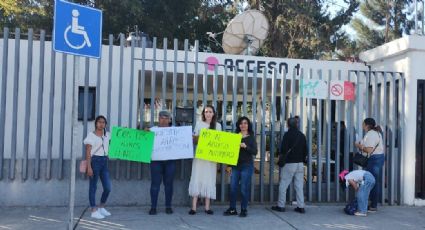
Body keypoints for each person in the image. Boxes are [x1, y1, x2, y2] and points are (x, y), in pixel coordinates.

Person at [188, 105, 222, 215]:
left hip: (211, 159)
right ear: (203, 113)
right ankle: (193, 207)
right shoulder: (199, 124)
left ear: (213, 113)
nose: (208, 113)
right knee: (197, 177)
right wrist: (200, 138)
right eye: (206, 111)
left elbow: (220, 143)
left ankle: (207, 207)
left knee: (209, 179)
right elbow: (194, 138)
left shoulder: (218, 126)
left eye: (210, 111)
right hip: (200, 157)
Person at [223, 117, 258, 217]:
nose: (243, 125)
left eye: (245, 123)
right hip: (235, 166)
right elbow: (230, 152)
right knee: (233, 188)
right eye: (241, 123)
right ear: (239, 125)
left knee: (244, 188)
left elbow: (255, 151)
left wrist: (245, 146)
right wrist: (229, 165)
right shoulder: (235, 136)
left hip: (247, 166)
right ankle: (232, 209)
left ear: (248, 125)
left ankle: (244, 209)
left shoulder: (251, 137)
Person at [272, 117, 307, 214]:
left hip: (289, 164)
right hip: (300, 164)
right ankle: (301, 207)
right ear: (297, 124)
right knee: (299, 186)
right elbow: (305, 150)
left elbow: (283, 149)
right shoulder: (302, 135)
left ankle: (281, 205)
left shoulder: (287, 135)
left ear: (288, 125)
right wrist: (303, 160)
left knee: (283, 185)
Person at [148, 110, 176, 215]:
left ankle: (168, 207)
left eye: (166, 118)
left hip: (170, 162)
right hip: (156, 162)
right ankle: (153, 207)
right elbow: (142, 138)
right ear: (158, 119)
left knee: (169, 185)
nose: (164, 120)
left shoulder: (175, 131)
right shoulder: (152, 130)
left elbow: (186, 137)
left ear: (170, 120)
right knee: (155, 185)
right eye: (161, 118)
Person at [84, 115, 112, 219]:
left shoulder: (107, 135)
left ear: (105, 124)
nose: (101, 124)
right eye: (99, 122)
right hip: (94, 161)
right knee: (93, 186)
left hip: (104, 161)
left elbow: (117, 142)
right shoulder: (91, 135)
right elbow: (87, 152)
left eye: (103, 122)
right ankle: (93, 210)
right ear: (96, 123)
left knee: (108, 187)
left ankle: (101, 207)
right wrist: (89, 167)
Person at [354, 117, 384, 212]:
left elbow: (369, 150)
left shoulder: (371, 134)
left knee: (372, 182)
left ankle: (373, 205)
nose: (362, 125)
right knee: (373, 181)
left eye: (363, 123)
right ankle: (372, 203)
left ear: (367, 125)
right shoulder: (375, 133)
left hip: (374, 160)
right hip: (377, 158)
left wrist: (358, 146)